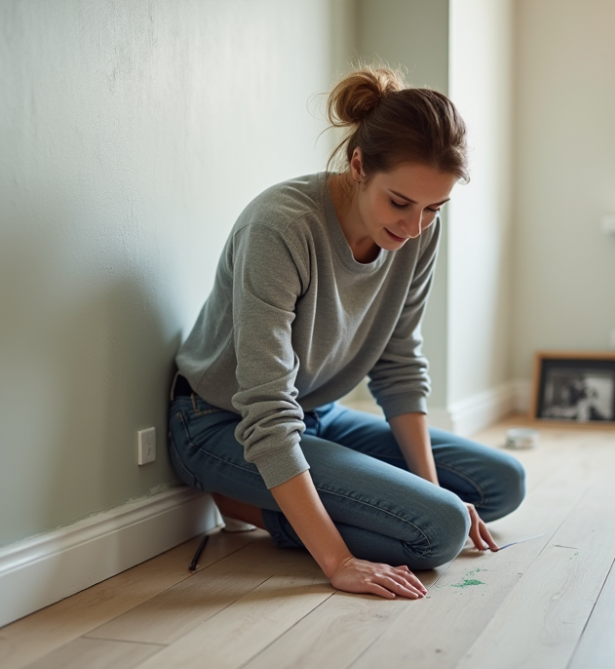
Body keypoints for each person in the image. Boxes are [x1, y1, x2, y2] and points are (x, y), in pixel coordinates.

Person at [167, 66, 525, 600]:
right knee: (441, 530)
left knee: (501, 482)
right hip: (221, 423)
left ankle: (295, 500)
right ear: (358, 165)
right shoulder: (281, 229)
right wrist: (338, 562)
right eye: (400, 203)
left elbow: (399, 361)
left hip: (316, 414)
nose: (414, 227)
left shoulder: (419, 231)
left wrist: (428, 487)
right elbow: (266, 407)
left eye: (434, 208)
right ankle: (249, 505)